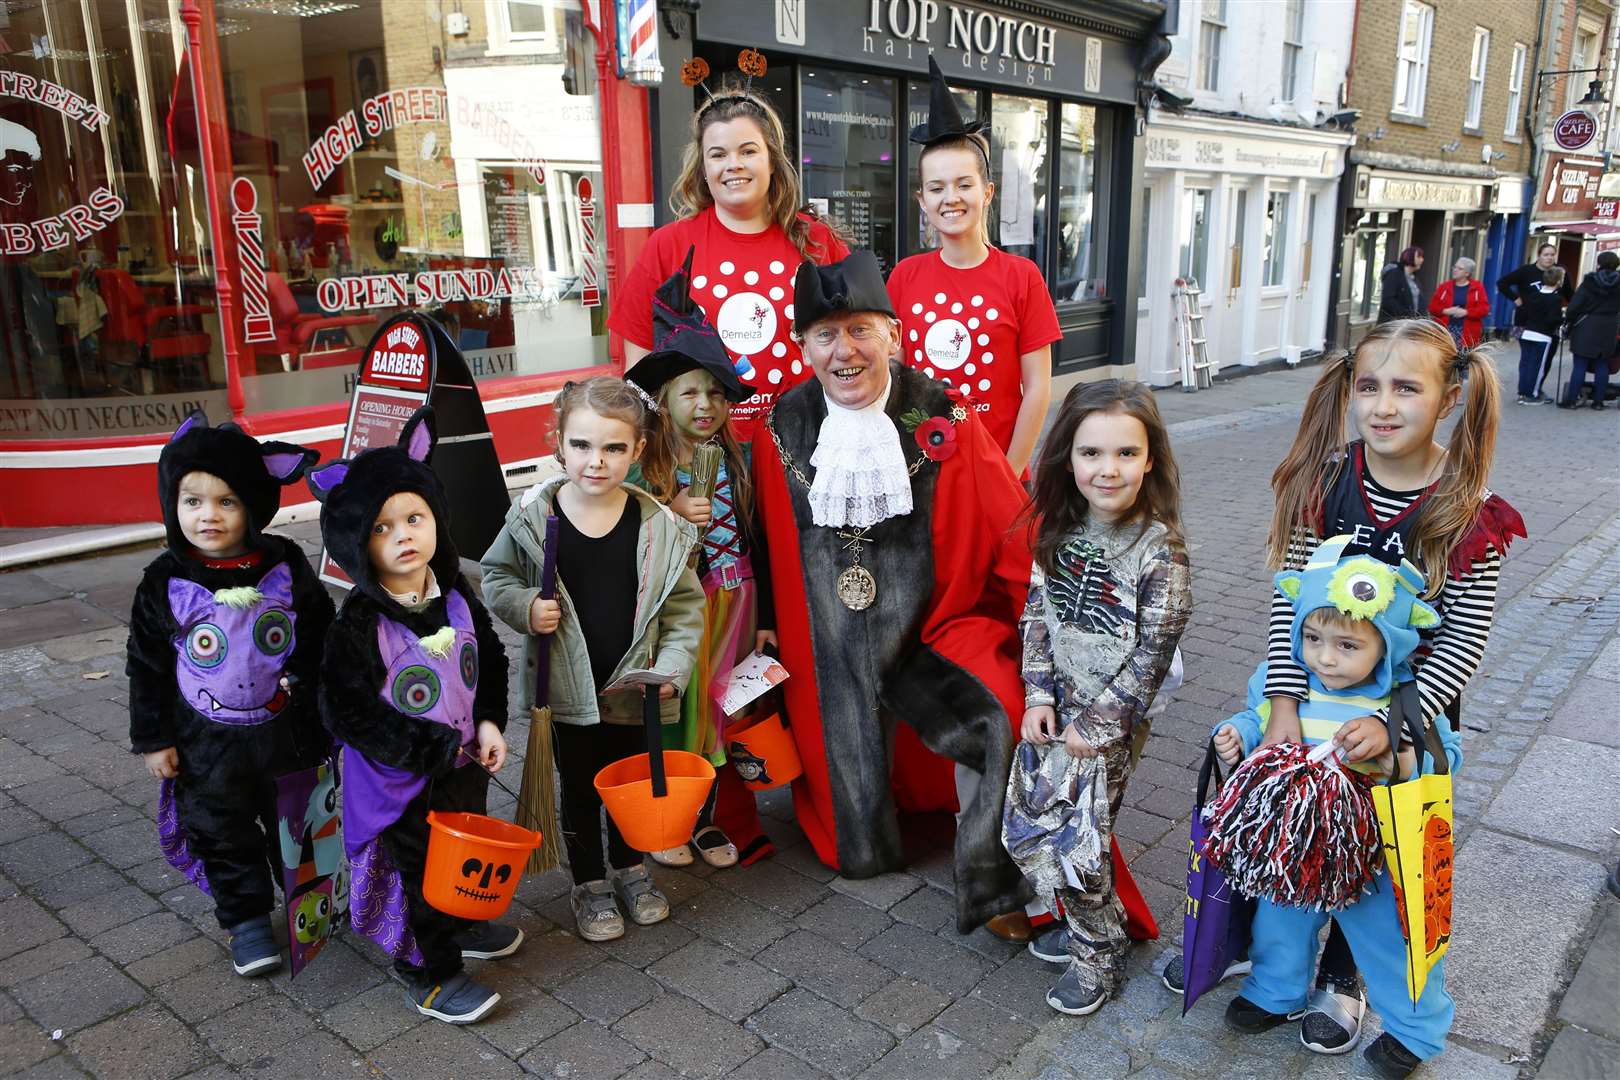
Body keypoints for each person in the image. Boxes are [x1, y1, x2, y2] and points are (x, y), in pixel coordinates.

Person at [1159, 318, 1523, 1062]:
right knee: (1291, 846)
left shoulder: (1467, 508)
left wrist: (1399, 728)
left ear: (1450, 398)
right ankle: (1275, 981)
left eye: (1406, 389)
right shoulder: (1324, 483)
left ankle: (1402, 1015)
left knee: (1388, 888)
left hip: (1401, 725)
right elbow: (1289, 609)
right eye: (1369, 387)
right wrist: (1283, 709)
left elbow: (1463, 641)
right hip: (1307, 700)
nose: (1383, 405)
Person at [751, 250, 1035, 935]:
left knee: (1001, 711)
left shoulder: (944, 416)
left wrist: (1049, 616)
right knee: (860, 853)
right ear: (803, 345)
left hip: (931, 627)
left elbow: (1011, 525)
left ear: (894, 336)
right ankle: (868, 840)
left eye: (860, 331)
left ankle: (993, 883)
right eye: (825, 335)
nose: (843, 351)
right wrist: (762, 619)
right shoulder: (779, 425)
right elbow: (761, 534)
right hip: (828, 640)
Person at [1211, 536, 1456, 1078]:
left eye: (1347, 646)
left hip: (1372, 855)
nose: (1324, 656)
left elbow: (1445, 757)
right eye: (1312, 638)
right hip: (1298, 846)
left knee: (1393, 943)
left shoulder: (1402, 701)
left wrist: (1400, 754)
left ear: (1387, 648)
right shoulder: (1292, 690)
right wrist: (1233, 733)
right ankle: (1275, 991)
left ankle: (1416, 1031)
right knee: (1280, 921)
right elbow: (1258, 721)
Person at [309, 408, 517, 1025]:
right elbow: (342, 706)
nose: (403, 535)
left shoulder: (457, 595)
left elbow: (493, 661)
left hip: (462, 764)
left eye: (414, 518)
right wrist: (418, 747)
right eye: (382, 527)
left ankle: (458, 922)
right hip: (399, 784)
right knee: (418, 868)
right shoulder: (360, 622)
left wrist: (488, 722)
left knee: (459, 849)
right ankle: (429, 972)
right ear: (356, 541)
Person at [481, 377, 705, 943]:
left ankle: (631, 870)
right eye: (582, 445)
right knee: (580, 785)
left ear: (638, 450)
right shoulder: (535, 518)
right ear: (559, 443)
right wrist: (527, 607)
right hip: (566, 689)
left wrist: (672, 669)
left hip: (636, 687)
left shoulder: (659, 525)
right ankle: (589, 883)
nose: (596, 461)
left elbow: (682, 608)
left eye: (613, 448)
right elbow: (495, 575)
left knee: (631, 781)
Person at [1003, 379, 1190, 1016]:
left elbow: (1155, 648)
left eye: (1125, 454)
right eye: (1091, 453)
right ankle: (1088, 922)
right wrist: (1037, 693)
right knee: (1032, 825)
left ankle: (1098, 948)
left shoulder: (1159, 549)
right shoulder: (1059, 527)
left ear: (1150, 459)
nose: (1107, 469)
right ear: (1068, 458)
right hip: (1058, 707)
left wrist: (1103, 722)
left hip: (1110, 721)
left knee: (1079, 839)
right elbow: (1037, 615)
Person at [127, 412, 330, 978]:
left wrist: (309, 681)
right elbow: (145, 664)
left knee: (297, 820)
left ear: (255, 504)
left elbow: (317, 627)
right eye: (192, 502)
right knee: (222, 829)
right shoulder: (163, 578)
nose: (208, 516)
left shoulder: (283, 561)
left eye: (227, 502)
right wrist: (153, 737)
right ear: (173, 504)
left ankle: (307, 904)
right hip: (205, 747)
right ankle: (245, 921)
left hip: (287, 734)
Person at [624, 253, 775, 869]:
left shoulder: (733, 458)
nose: (706, 405)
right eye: (691, 392)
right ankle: (669, 818)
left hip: (735, 600)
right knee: (679, 711)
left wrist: (764, 617)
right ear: (663, 399)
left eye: (716, 392)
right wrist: (668, 511)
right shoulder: (647, 465)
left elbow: (749, 542)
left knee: (722, 713)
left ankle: (710, 816)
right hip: (680, 607)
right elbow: (625, 537)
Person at [608, 72, 848, 438]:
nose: (732, 164)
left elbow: (856, 345)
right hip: (704, 456)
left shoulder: (816, 241)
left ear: (771, 160)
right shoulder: (668, 245)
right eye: (718, 154)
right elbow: (639, 365)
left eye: (748, 151)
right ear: (704, 168)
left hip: (809, 446)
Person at [887, 57, 1060, 476]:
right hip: (923, 476)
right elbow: (894, 374)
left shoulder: (1022, 277)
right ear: (922, 201)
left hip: (999, 468)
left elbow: (1037, 389)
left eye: (964, 184)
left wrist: (1008, 471)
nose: (951, 198)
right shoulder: (904, 278)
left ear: (987, 192)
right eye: (936, 188)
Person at [1559, 250, 1620, 409]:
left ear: (1598, 264)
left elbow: (1575, 306)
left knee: (1580, 364)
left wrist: (1568, 321)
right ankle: (1598, 402)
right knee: (1602, 364)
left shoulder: (1589, 282)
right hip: (1609, 326)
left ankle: (1571, 400)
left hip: (1587, 326)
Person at [1511, 265, 1566, 404]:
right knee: (1537, 366)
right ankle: (1532, 394)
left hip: (1527, 333)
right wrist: (1563, 319)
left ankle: (1522, 392)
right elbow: (1552, 319)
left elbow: (1524, 313)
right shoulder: (1555, 299)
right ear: (1559, 282)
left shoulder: (1533, 295)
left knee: (1525, 364)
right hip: (1542, 335)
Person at [1495, 242, 1569, 332]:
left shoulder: (1560, 272)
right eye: (1546, 255)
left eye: (1552, 255)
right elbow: (1502, 283)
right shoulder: (1526, 271)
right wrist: (1516, 299)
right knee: (1527, 345)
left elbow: (1568, 292)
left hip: (1550, 322)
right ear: (1539, 256)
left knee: (1549, 345)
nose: (1549, 258)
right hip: (1525, 320)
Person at [1426, 256, 1490, 347]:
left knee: (1462, 359)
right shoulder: (1444, 287)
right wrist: (1445, 311)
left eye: (1459, 268)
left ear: (1467, 273)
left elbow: (1484, 309)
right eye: (1455, 267)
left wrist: (1466, 312)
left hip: (1467, 332)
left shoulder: (1477, 288)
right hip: (1445, 330)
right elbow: (1432, 307)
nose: (1455, 270)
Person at [1377, 247, 1424, 323]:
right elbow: (1388, 300)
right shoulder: (1394, 274)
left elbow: (1419, 302)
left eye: (1422, 257)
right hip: (1392, 324)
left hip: (1409, 323)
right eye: (1418, 256)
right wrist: (1406, 315)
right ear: (1409, 256)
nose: (1422, 260)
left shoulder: (1414, 279)